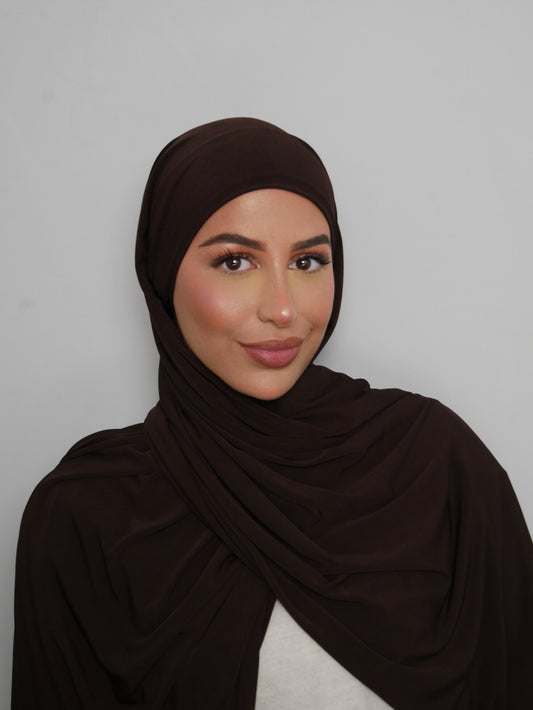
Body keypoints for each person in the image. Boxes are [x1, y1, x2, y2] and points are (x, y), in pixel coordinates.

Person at [12, 118, 533, 709]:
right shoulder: (87, 512)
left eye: (308, 262)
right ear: (162, 275)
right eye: (236, 262)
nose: (283, 310)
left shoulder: (434, 463)